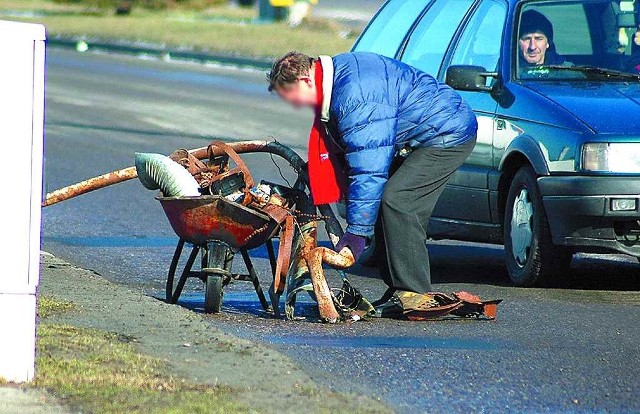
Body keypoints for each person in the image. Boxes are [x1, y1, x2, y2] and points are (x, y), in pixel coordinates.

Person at [266, 51, 478, 317]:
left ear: (306, 80)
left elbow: (369, 167)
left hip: (448, 132)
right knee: (385, 200)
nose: (296, 106)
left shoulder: (355, 95)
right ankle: (400, 289)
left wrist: (357, 233)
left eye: (292, 97)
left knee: (399, 201)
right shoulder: (336, 78)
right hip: (422, 132)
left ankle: (414, 291)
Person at [519, 10, 568, 74]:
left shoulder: (566, 71)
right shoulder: (507, 71)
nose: (532, 47)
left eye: (538, 39)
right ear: (517, 43)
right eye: (527, 39)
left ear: (548, 43)